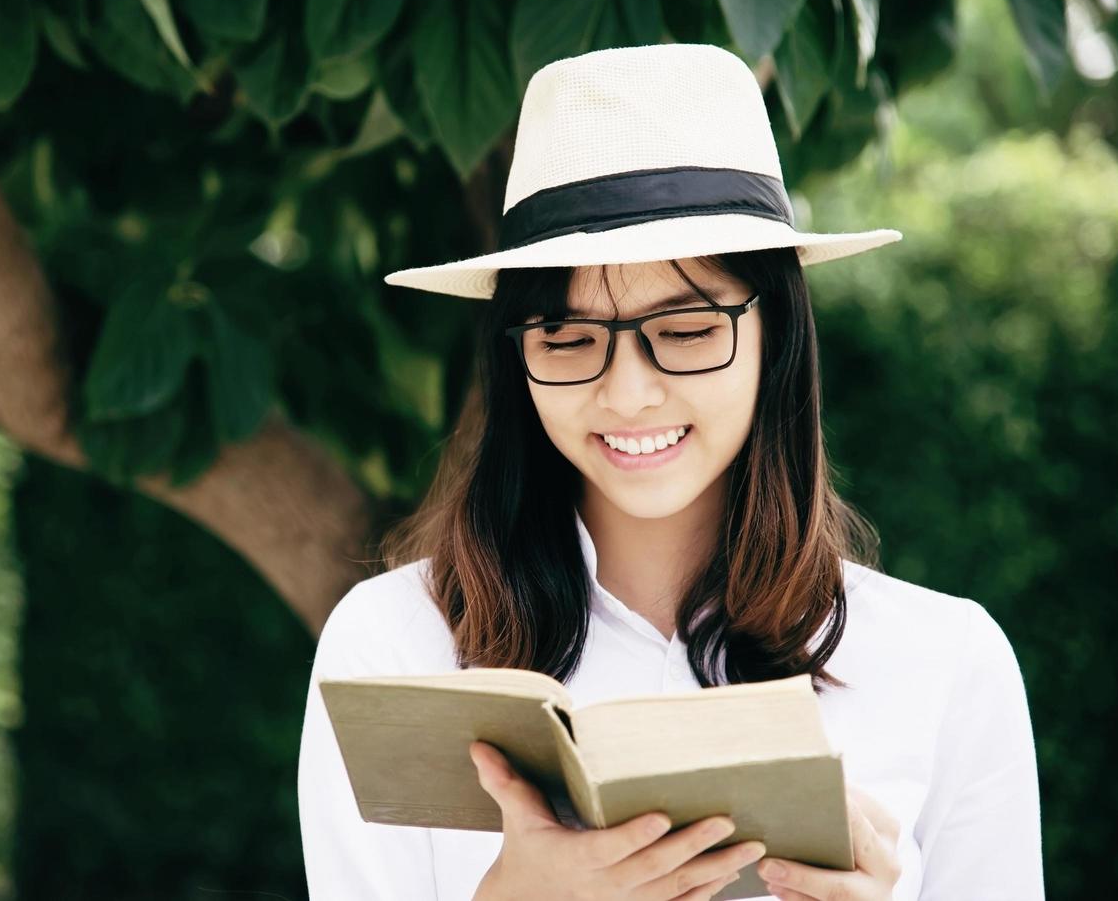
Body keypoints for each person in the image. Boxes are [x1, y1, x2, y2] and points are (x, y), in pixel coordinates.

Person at [297, 44, 1042, 901]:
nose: (627, 394)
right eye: (567, 340)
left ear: (779, 337)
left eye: (686, 331)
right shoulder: (393, 650)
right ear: (516, 360)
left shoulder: (945, 663)